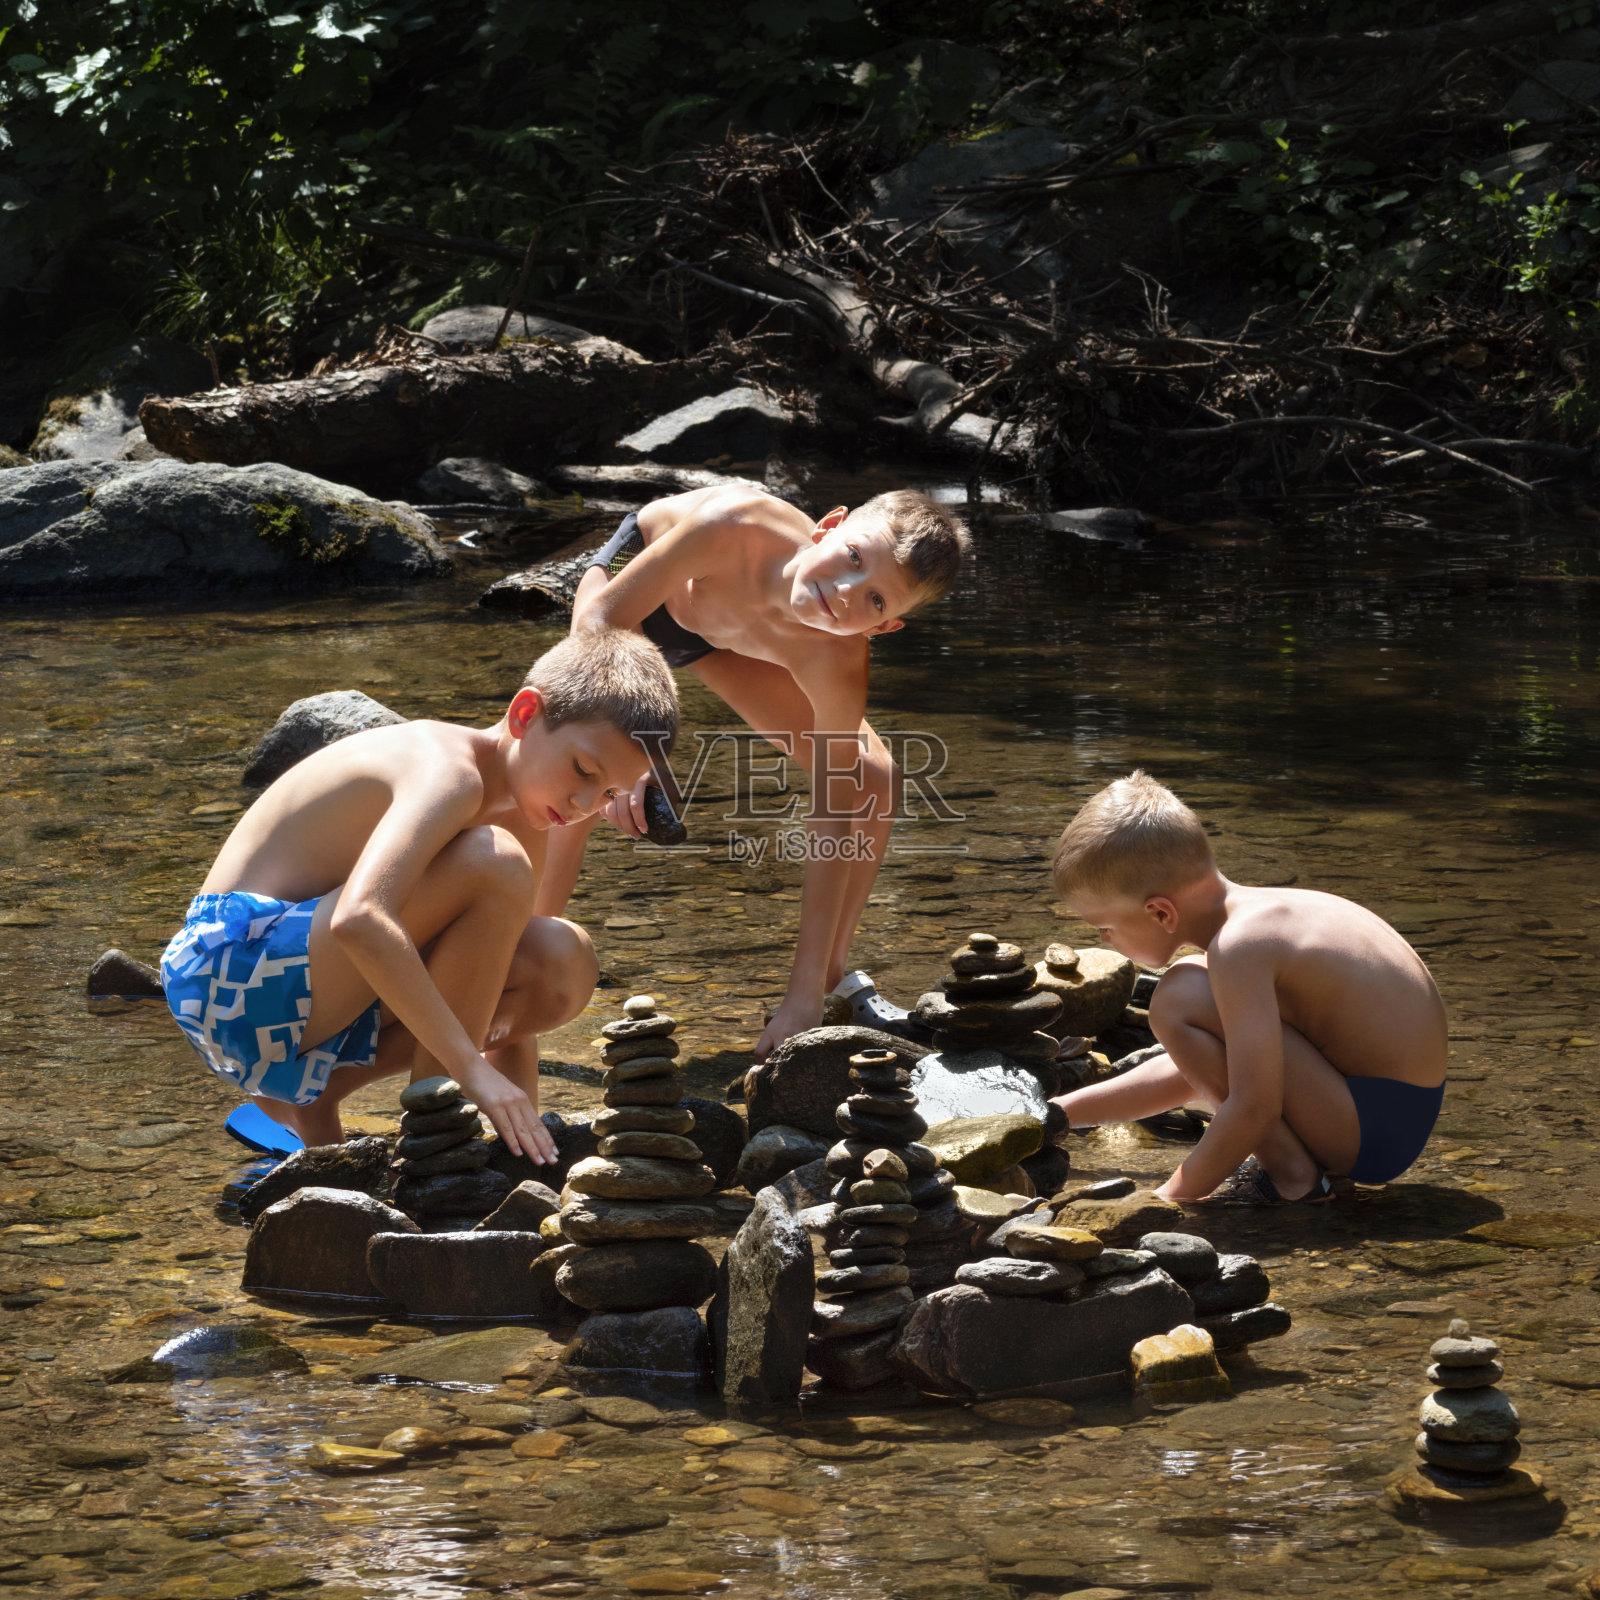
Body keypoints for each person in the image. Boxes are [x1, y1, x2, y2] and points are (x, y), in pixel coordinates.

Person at [161, 629, 678, 1155]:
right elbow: (359, 918)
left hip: (307, 993)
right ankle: (433, 1135)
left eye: (609, 793)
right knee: (495, 861)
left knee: (561, 960)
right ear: (525, 715)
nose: (585, 803)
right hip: (226, 977)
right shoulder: (449, 771)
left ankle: (352, 1110)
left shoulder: (523, 817)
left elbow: (496, 973)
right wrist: (471, 1069)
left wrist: (525, 1142)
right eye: (583, 770)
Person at [537, 485, 970, 1059]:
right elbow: (599, 620)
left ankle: (821, 985)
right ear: (829, 524)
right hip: (641, 593)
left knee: (872, 779)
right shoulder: (733, 526)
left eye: (874, 602)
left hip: (729, 638)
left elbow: (834, 806)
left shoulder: (837, 656)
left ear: (883, 628)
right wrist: (638, 759)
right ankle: (516, 951)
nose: (843, 593)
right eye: (854, 557)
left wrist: (797, 995)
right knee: (585, 777)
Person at [1048, 772, 1447, 1203]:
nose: (1104, 940)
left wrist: (1164, 1200)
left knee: (1178, 995)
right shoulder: (1270, 916)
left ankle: (1294, 1178)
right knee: (1188, 988)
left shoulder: (1240, 947)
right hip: (1386, 1123)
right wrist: (1055, 1118)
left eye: (1105, 927)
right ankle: (1299, 1168)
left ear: (1161, 913)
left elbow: (1254, 1105)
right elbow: (1201, 1071)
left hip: (1370, 1136)